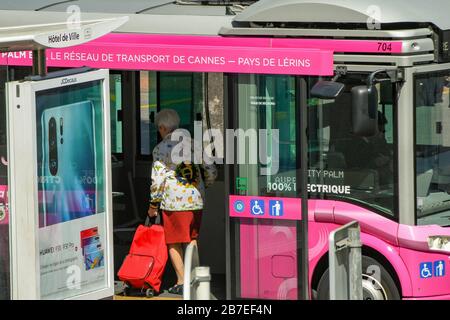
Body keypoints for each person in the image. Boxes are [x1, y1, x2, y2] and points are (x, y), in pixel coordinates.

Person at [147, 109, 217, 295]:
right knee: (191, 239)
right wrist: (204, 187)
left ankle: (181, 280)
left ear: (162, 128)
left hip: (174, 204)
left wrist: (153, 205)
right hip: (196, 201)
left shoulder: (160, 149)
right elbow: (211, 169)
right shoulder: (195, 145)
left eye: (159, 129)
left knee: (174, 242)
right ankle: (194, 279)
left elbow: (158, 180)